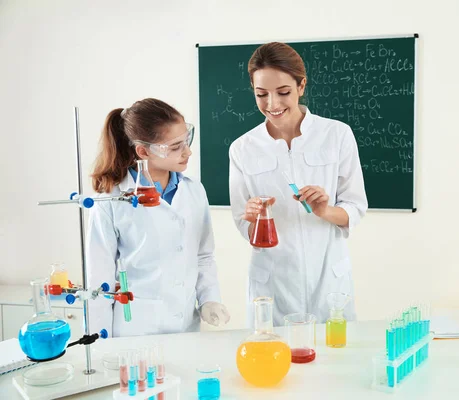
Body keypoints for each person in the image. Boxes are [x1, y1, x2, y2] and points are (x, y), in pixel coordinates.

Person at [229, 42, 368, 326]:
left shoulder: (337, 135)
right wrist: (253, 217)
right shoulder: (243, 148)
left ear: (301, 86)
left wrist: (324, 210)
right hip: (272, 284)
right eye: (261, 94)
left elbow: (355, 206)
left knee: (335, 362)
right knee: (275, 361)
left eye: (283, 92)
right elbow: (244, 223)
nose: (272, 104)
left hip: (328, 277)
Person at [87, 98, 229, 337]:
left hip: (187, 327)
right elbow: (99, 281)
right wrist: (99, 343)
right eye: (175, 147)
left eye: (187, 140)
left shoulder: (194, 191)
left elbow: (203, 256)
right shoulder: (110, 200)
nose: (188, 152)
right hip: (136, 331)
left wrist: (209, 299)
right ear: (143, 151)